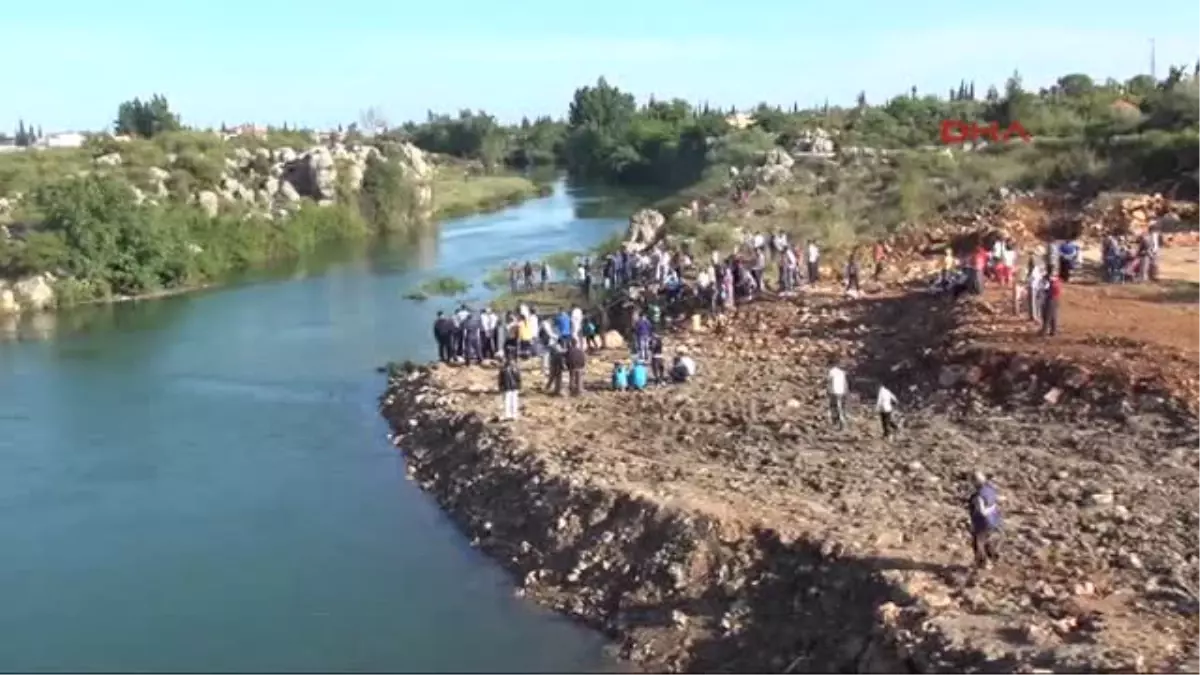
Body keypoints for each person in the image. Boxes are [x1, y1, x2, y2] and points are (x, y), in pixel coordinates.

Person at [967, 472, 1002, 569]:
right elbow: (995, 500)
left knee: (978, 544)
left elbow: (982, 512)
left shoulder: (978, 496)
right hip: (995, 521)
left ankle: (983, 565)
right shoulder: (991, 489)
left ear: (974, 482)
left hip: (982, 523)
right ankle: (993, 561)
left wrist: (991, 508)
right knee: (989, 542)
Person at [828, 361, 848, 430]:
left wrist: (828, 391)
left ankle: (840, 420)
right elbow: (845, 383)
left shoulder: (831, 371)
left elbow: (829, 382)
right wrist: (846, 391)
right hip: (841, 392)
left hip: (834, 392)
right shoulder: (842, 372)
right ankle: (841, 420)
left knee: (835, 407)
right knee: (840, 406)